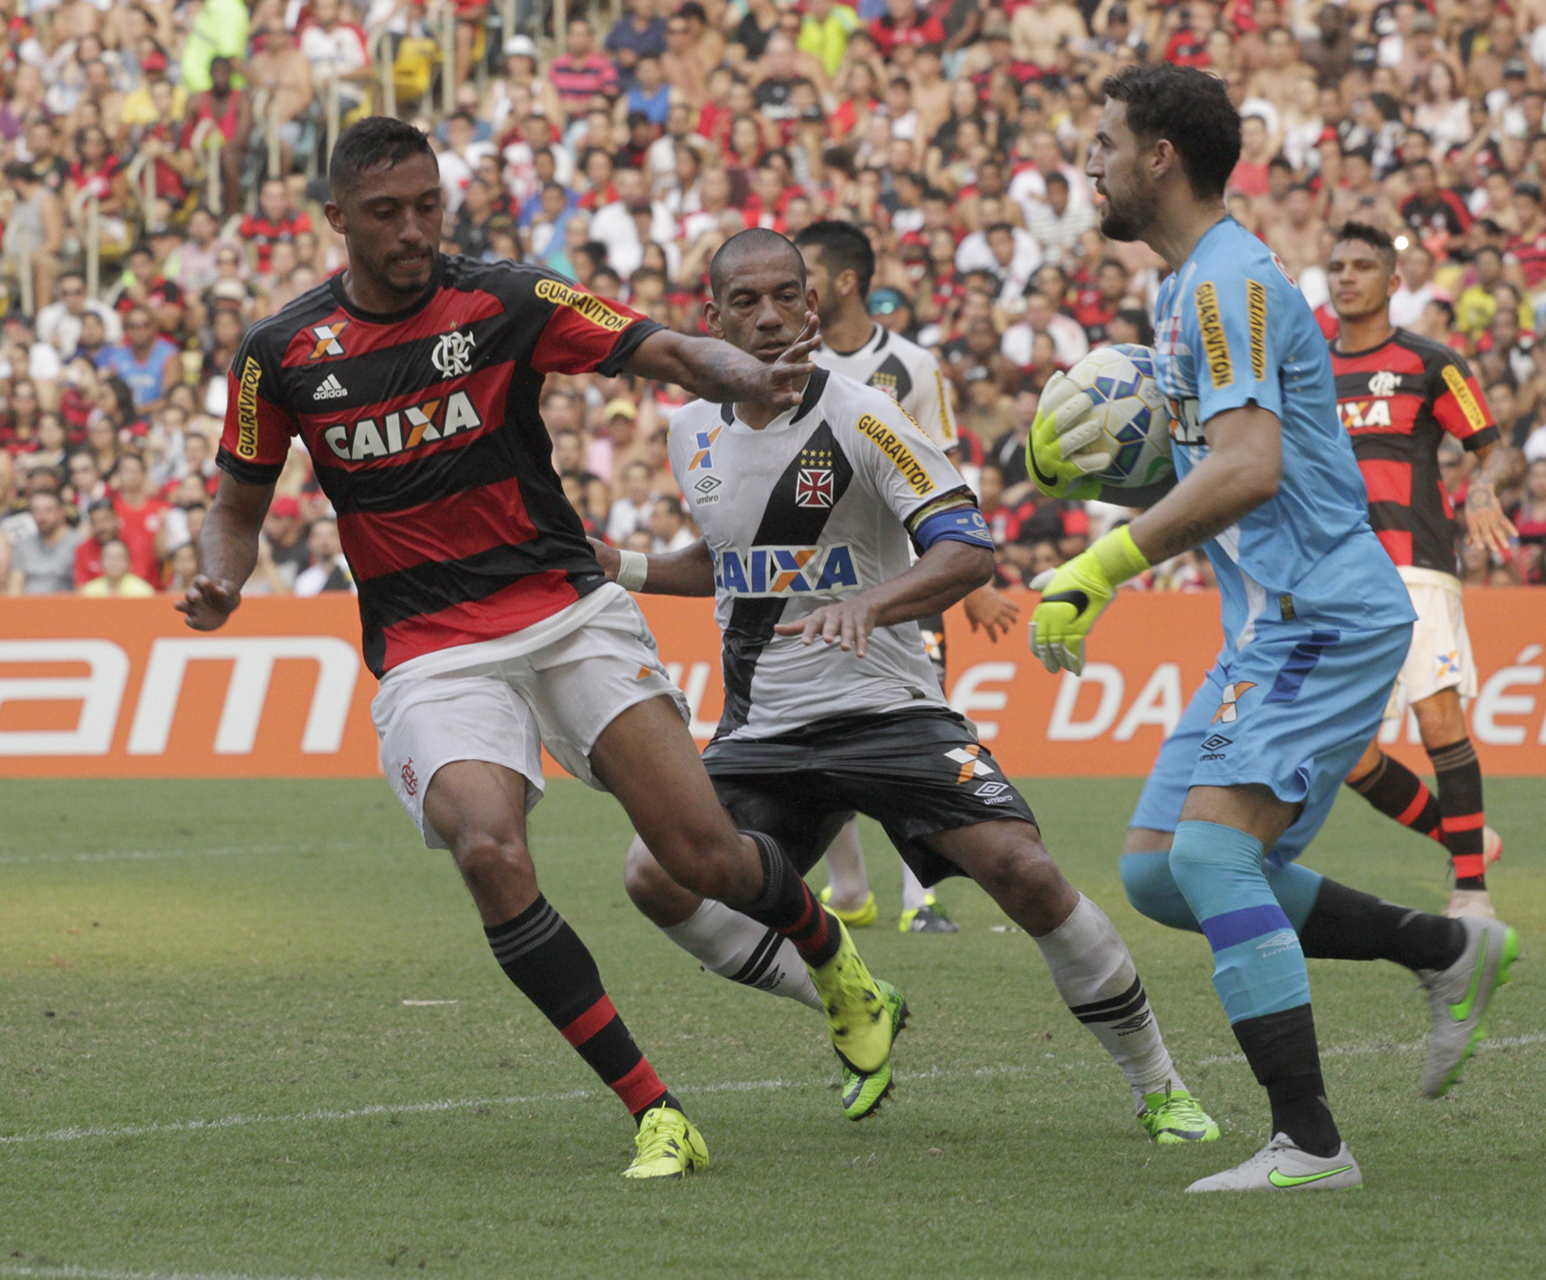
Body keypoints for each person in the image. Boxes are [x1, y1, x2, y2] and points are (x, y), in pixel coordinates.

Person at [179, 118, 899, 1181]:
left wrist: (735, 371)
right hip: (430, 646)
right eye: (388, 212)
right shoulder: (279, 354)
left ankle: (835, 960)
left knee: (700, 855)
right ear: (337, 221)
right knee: (486, 846)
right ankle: (656, 1108)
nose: (417, 228)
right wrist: (220, 574)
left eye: (429, 204)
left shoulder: (510, 298)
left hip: (566, 611)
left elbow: (660, 345)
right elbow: (235, 505)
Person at [602, 226, 1221, 1142]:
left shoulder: (864, 414)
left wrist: (877, 606)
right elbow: (733, 561)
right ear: (712, 317)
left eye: (785, 297)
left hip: (889, 711)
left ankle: (1159, 1085)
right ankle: (851, 992)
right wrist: (620, 565)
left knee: (1028, 875)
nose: (768, 317)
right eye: (746, 302)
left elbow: (969, 548)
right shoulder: (693, 426)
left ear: (815, 308)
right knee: (655, 876)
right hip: (765, 728)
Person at [1028, 65, 1518, 1193]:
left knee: (1211, 853)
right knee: (1160, 872)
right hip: (1270, 626)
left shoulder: (1227, 283)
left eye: (1104, 142)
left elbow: (1254, 466)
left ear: (1161, 157)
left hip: (1326, 615)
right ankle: (1446, 947)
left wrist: (1100, 566)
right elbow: (1223, 455)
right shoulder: (1189, 287)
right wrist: (1113, 462)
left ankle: (1311, 1142)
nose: (1088, 161)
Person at [794, 218, 1020, 934]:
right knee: (813, 726)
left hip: (900, 581)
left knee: (915, 718)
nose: (792, 291)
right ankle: (852, 889)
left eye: (805, 276)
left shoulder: (913, 367)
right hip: (813, 579)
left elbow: (945, 472)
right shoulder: (788, 360)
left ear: (844, 282)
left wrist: (972, 581)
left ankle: (921, 896)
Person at [1325, 223, 1511, 919]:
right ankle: (1464, 840)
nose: (1348, 277)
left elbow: (1491, 447)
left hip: (1415, 565)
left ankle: (1471, 894)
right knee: (1347, 756)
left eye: (1363, 266)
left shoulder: (1432, 362)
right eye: (1338, 266)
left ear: (1392, 281)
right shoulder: (1308, 369)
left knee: (1439, 722)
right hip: (1337, 577)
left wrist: (1485, 487)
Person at [7, 489, 83, 595]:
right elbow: (15, 586)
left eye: (48, 510)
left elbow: (82, 589)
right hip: (28, 607)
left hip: (64, 607)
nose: (41, 517)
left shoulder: (78, 543)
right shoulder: (24, 544)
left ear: (61, 513)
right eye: (36, 511)